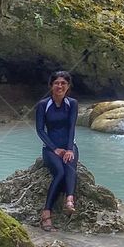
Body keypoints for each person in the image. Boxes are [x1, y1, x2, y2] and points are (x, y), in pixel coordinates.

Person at [36, 70, 79, 230]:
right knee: (60, 172)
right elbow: (40, 130)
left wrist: (69, 149)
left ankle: (69, 199)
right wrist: (54, 149)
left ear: (68, 86)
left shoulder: (72, 103)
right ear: (51, 85)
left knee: (70, 167)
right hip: (50, 148)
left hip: (68, 145)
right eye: (56, 83)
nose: (59, 86)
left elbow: (71, 128)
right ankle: (46, 212)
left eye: (63, 83)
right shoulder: (43, 105)